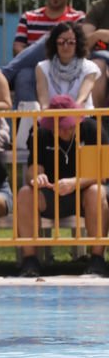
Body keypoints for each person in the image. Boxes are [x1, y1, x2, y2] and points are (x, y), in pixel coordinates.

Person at [15, 94, 107, 277]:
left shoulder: (91, 129)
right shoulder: (40, 133)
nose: (65, 130)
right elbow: (33, 171)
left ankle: (97, 259)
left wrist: (74, 183)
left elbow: (100, 174)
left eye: (69, 125)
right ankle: (30, 261)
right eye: (60, 126)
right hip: (52, 193)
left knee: (96, 191)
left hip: (85, 193)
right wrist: (37, 178)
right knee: (26, 193)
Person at [1, 0, 87, 103]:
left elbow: (78, 48)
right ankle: (29, 124)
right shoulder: (29, 17)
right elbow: (18, 48)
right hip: (36, 70)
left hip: (67, 69)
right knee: (24, 75)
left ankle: (4, 75)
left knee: (53, 36)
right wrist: (41, 64)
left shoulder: (78, 18)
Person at [35, 22, 99, 109]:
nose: (65, 46)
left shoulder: (90, 67)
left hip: (81, 116)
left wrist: (69, 116)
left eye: (71, 42)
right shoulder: (42, 68)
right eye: (61, 42)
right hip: (51, 117)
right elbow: (44, 101)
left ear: (78, 44)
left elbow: (82, 99)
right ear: (54, 44)